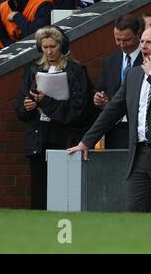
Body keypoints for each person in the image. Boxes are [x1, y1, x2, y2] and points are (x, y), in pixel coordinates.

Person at [68, 26, 151, 213]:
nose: (144, 46)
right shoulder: (134, 74)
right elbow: (112, 110)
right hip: (139, 155)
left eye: (149, 42)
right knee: (134, 215)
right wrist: (87, 141)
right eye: (143, 42)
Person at [14, 25, 96, 210]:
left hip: (65, 138)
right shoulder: (33, 71)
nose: (49, 51)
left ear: (62, 46)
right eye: (45, 47)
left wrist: (45, 102)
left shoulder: (75, 71)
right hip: (39, 141)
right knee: (39, 196)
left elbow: (81, 111)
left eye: (53, 46)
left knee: (65, 196)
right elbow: (19, 108)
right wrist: (28, 106)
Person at [94, 14, 144, 149]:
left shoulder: (148, 58)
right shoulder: (110, 61)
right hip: (115, 129)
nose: (122, 44)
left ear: (138, 34)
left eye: (127, 40)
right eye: (118, 39)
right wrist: (99, 98)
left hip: (140, 128)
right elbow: (102, 88)